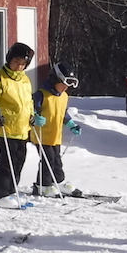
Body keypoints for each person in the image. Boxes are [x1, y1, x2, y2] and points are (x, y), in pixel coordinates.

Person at [0, 43, 35, 208]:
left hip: (22, 129)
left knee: (19, 161)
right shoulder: (0, 77)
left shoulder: (25, 79)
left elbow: (28, 101)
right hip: (7, 128)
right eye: (16, 62)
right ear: (9, 59)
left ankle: (11, 191)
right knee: (6, 163)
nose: (19, 66)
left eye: (23, 64)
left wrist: (32, 115)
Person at [31, 61, 83, 197]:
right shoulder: (41, 95)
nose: (67, 87)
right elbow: (29, 110)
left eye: (70, 84)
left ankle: (58, 181)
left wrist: (71, 124)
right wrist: (34, 117)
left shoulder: (64, 97)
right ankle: (42, 185)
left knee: (56, 160)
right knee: (48, 160)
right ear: (55, 79)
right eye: (65, 83)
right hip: (42, 135)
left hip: (55, 136)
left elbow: (62, 113)